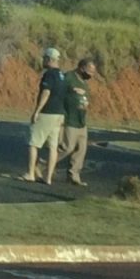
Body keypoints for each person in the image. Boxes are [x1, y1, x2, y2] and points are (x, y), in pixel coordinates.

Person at [20, 47, 67, 184]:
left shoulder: (49, 75)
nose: (43, 61)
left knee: (33, 142)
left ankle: (30, 173)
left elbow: (46, 93)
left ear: (50, 59)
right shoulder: (62, 76)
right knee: (53, 146)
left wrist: (37, 111)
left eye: (45, 58)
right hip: (59, 114)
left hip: (47, 112)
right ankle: (48, 178)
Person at [57, 57, 96, 186]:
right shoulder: (68, 77)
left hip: (81, 121)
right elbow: (58, 92)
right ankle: (42, 165)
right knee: (66, 148)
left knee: (81, 149)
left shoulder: (84, 83)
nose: (91, 75)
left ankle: (73, 175)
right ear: (82, 68)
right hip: (69, 119)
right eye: (89, 71)